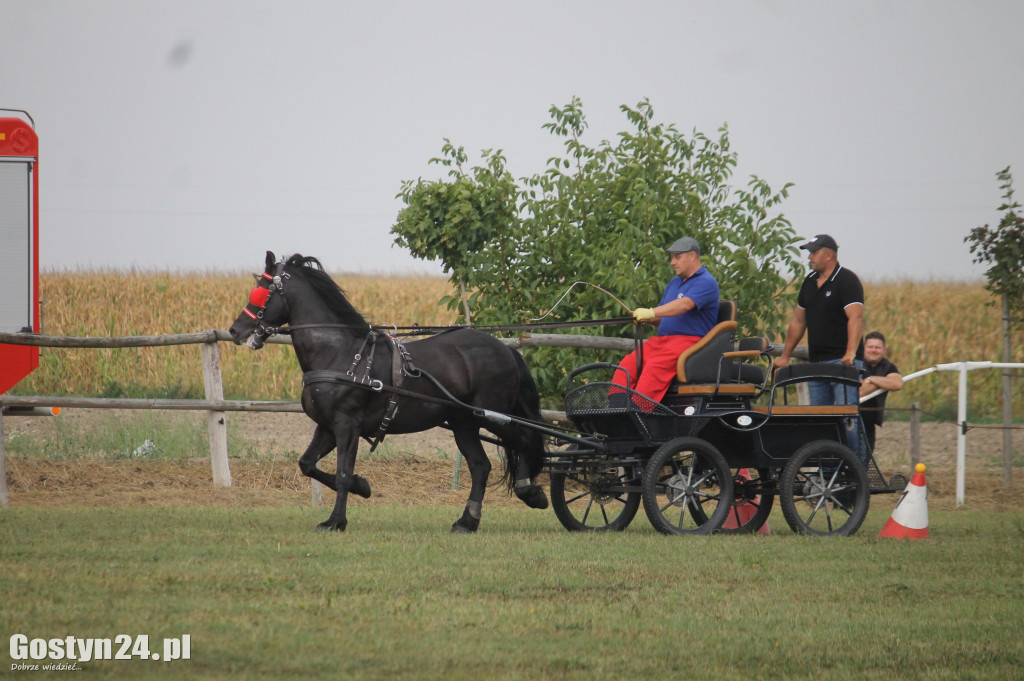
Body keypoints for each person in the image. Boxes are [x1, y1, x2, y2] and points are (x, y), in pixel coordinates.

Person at [776, 234, 865, 451]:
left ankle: (856, 470)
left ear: (829, 255)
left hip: (842, 364)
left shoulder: (846, 280)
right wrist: (785, 355)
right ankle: (826, 472)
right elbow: (798, 321)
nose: (809, 257)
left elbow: (856, 317)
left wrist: (851, 352)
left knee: (848, 418)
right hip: (817, 363)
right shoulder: (809, 282)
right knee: (819, 419)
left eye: (814, 252)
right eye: (809, 252)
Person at [611, 236, 719, 404]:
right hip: (662, 343)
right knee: (628, 363)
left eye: (677, 257)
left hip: (690, 344)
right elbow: (662, 315)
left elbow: (684, 305)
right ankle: (615, 410)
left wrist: (650, 312)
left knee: (654, 366)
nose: (672, 262)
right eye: (672, 257)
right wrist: (646, 319)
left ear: (692, 256)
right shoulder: (674, 283)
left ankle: (639, 413)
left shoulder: (706, 282)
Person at [859, 331, 904, 452]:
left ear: (883, 350)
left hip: (870, 424)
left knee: (866, 459)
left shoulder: (888, 366)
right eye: (870, 347)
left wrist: (870, 379)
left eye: (877, 347)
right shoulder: (856, 364)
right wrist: (883, 382)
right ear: (864, 349)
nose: (873, 350)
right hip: (853, 420)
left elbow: (897, 383)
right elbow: (859, 392)